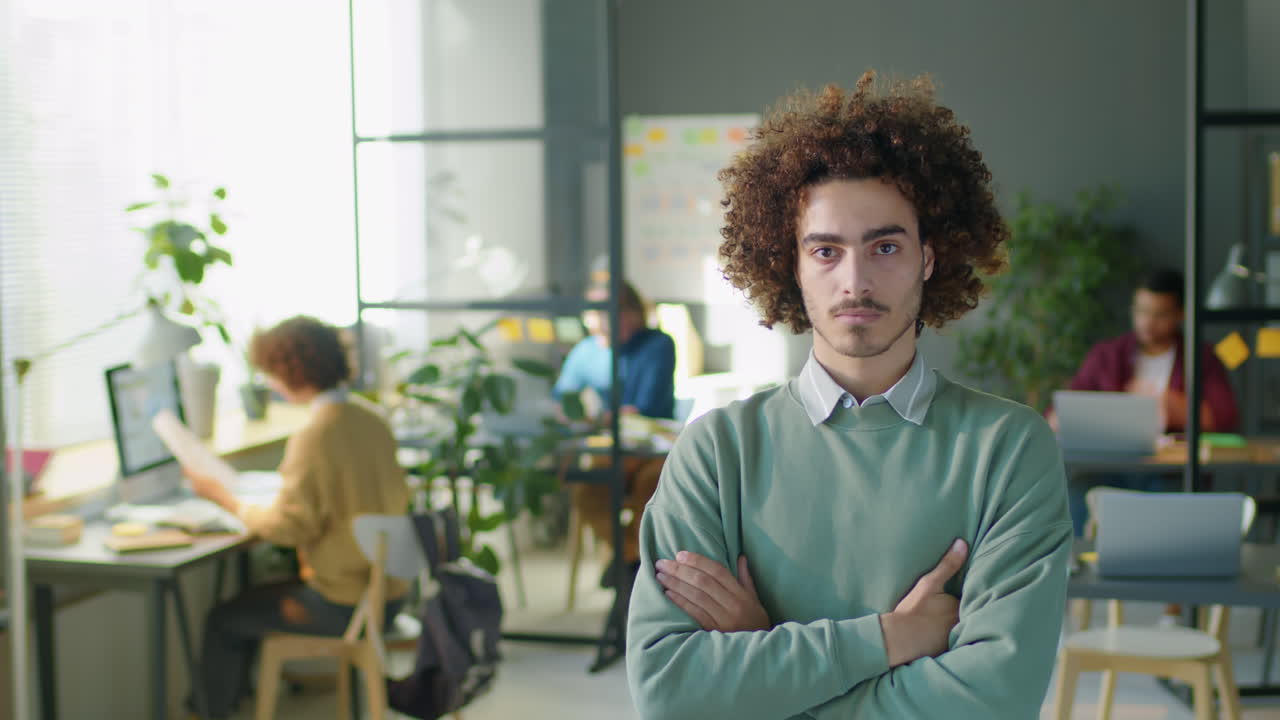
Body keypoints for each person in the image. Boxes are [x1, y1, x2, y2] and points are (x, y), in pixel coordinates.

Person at [626, 72, 1072, 720]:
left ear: (928, 256)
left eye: (884, 246)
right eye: (826, 251)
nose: (854, 281)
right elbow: (669, 693)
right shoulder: (718, 451)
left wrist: (764, 653)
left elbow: (993, 702)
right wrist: (890, 638)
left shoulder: (1007, 449)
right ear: (792, 263)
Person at [183, 316, 409, 718]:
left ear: (289, 372)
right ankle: (235, 703)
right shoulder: (372, 421)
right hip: (390, 592)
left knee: (225, 618)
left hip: (345, 602)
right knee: (255, 597)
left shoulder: (316, 436)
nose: (268, 382)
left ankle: (211, 712)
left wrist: (225, 499)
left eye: (270, 373)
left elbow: (288, 528)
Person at [1055, 268, 1240, 537]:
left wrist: (1172, 405)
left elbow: (1225, 416)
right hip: (1112, 467)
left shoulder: (1201, 356)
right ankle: (1079, 570)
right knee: (1076, 491)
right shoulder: (1107, 354)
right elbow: (1061, 411)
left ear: (1181, 314)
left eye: (1159, 314)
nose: (1147, 322)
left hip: (1169, 473)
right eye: (1141, 311)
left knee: (1174, 497)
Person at [553, 280, 676, 588]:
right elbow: (562, 400)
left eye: (609, 311)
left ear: (632, 313)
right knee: (588, 492)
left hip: (654, 447)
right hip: (611, 448)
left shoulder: (658, 344)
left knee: (652, 488)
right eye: (594, 313)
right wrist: (575, 415)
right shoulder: (586, 351)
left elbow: (644, 408)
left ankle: (633, 566)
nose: (598, 320)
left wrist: (597, 418)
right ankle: (632, 561)